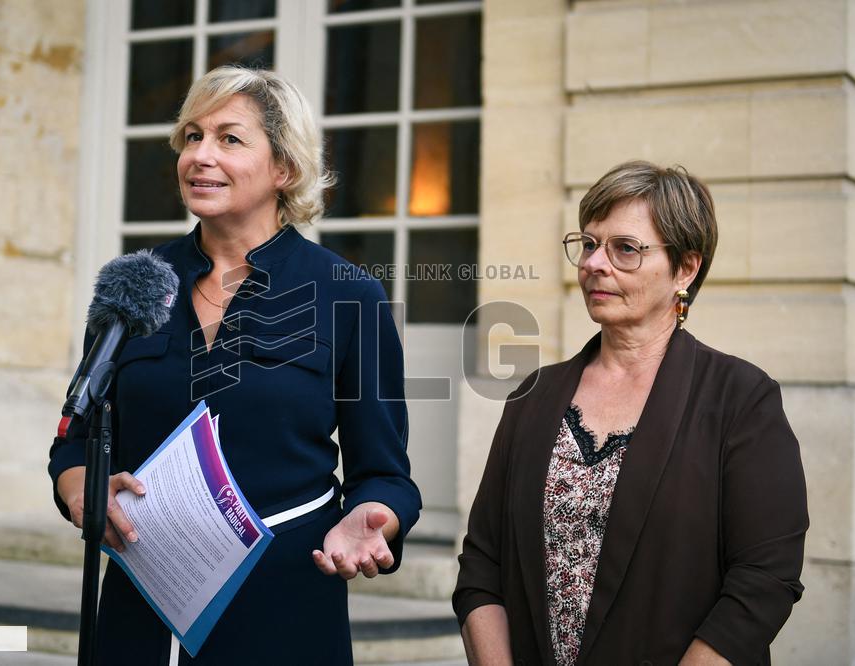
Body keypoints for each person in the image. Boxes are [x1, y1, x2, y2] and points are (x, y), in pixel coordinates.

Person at [48, 66, 421, 665]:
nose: (200, 155)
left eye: (229, 138)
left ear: (285, 169)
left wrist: (375, 520)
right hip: (141, 612)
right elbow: (73, 440)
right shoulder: (134, 282)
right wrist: (82, 494)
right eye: (191, 136)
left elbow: (387, 476)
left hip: (285, 608)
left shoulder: (350, 295)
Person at [453, 161, 808, 666]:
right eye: (590, 244)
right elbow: (483, 564)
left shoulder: (741, 399)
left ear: (685, 268)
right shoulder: (534, 395)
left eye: (625, 249)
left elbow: (764, 580)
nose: (596, 263)